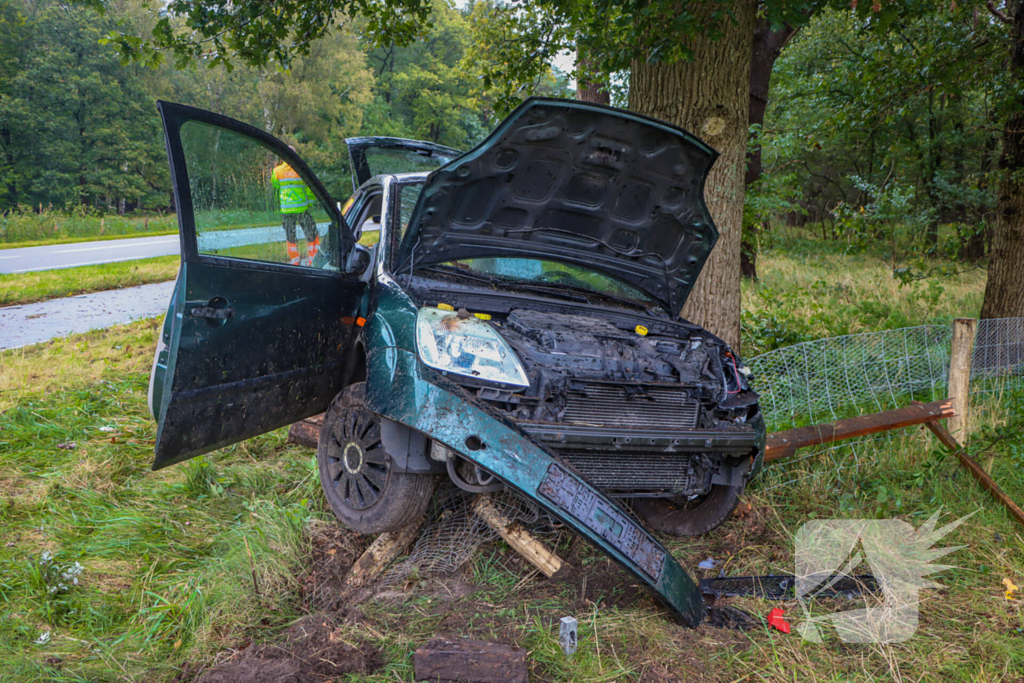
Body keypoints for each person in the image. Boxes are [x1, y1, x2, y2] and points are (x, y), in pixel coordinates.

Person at [271, 149, 320, 266]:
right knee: (311, 234)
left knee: (290, 236)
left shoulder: (277, 171)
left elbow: (276, 185)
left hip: (286, 210)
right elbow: (310, 190)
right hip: (302, 209)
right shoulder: (301, 170)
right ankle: (313, 260)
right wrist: (310, 203)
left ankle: (295, 262)